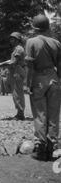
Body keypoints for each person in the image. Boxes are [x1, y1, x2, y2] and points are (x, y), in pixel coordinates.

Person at [25, 14, 61, 161]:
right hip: (54, 79)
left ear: (35, 27)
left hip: (38, 79)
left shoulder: (31, 42)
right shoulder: (57, 43)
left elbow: (29, 66)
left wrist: (28, 84)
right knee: (54, 114)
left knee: (40, 114)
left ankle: (40, 148)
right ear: (47, 27)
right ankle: (52, 146)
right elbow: (60, 66)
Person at [0, 32, 26, 120]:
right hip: (14, 72)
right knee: (15, 92)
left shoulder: (19, 49)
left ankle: (20, 114)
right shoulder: (15, 49)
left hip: (17, 72)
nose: (11, 40)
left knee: (17, 93)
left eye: (13, 39)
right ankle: (19, 112)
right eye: (10, 39)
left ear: (17, 40)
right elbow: (11, 60)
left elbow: (13, 62)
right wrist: (1, 63)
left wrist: (1, 65)